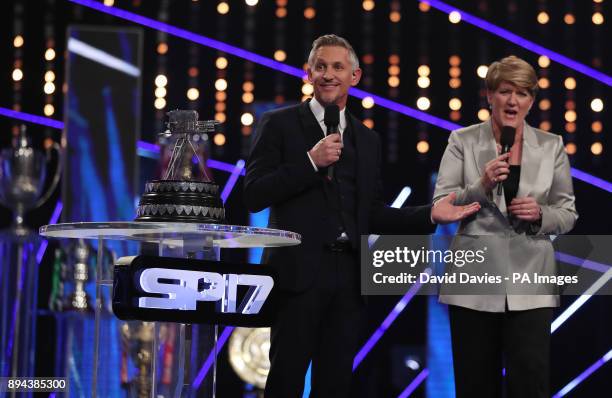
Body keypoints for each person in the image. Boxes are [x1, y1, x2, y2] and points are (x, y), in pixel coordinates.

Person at [244, 34, 480, 398]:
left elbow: (371, 214)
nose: (328, 74)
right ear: (308, 74)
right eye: (320, 66)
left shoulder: (367, 139)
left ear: (354, 76)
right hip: (297, 276)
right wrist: (311, 162)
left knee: (336, 384)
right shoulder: (279, 124)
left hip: (350, 280)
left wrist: (430, 214)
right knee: (286, 380)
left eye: (338, 67)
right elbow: (255, 193)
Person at [433, 55, 578, 398]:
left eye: (523, 93)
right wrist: (480, 185)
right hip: (474, 283)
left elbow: (567, 212)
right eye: (505, 91)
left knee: (530, 383)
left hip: (531, 281)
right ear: (490, 96)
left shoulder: (551, 145)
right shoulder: (462, 141)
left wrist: (541, 214)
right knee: (474, 384)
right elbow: (441, 208)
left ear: (531, 100)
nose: (513, 101)